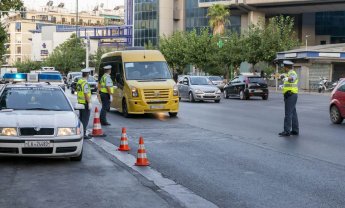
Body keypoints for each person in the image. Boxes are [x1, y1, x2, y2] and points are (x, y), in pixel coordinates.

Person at [279, 60, 299, 137]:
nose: (283, 68)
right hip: (291, 95)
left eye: (284, 67)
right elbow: (288, 83)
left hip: (291, 95)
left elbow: (292, 78)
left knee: (288, 114)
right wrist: (283, 85)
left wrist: (287, 79)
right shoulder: (287, 74)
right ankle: (295, 130)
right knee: (293, 113)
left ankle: (286, 131)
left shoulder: (292, 73)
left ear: (286, 67)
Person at [77, 68, 92, 139]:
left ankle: (80, 132)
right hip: (85, 103)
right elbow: (86, 94)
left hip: (80, 102)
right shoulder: (85, 83)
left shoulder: (79, 81)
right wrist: (89, 102)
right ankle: (84, 134)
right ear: (88, 74)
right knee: (85, 119)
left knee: (81, 118)